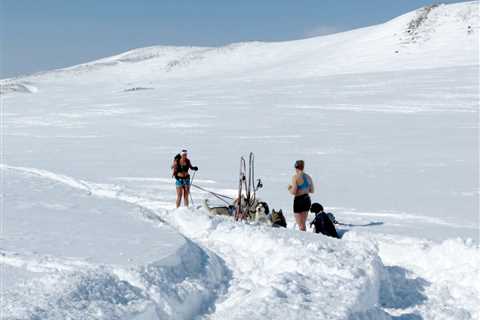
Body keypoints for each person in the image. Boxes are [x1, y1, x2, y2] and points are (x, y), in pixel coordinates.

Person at [288, 160, 314, 231]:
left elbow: (294, 191)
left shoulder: (295, 177)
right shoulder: (308, 177)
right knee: (303, 223)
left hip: (299, 200)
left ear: (296, 167)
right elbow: (312, 190)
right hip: (307, 200)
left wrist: (289, 188)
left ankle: (303, 239)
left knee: (300, 225)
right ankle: (305, 238)